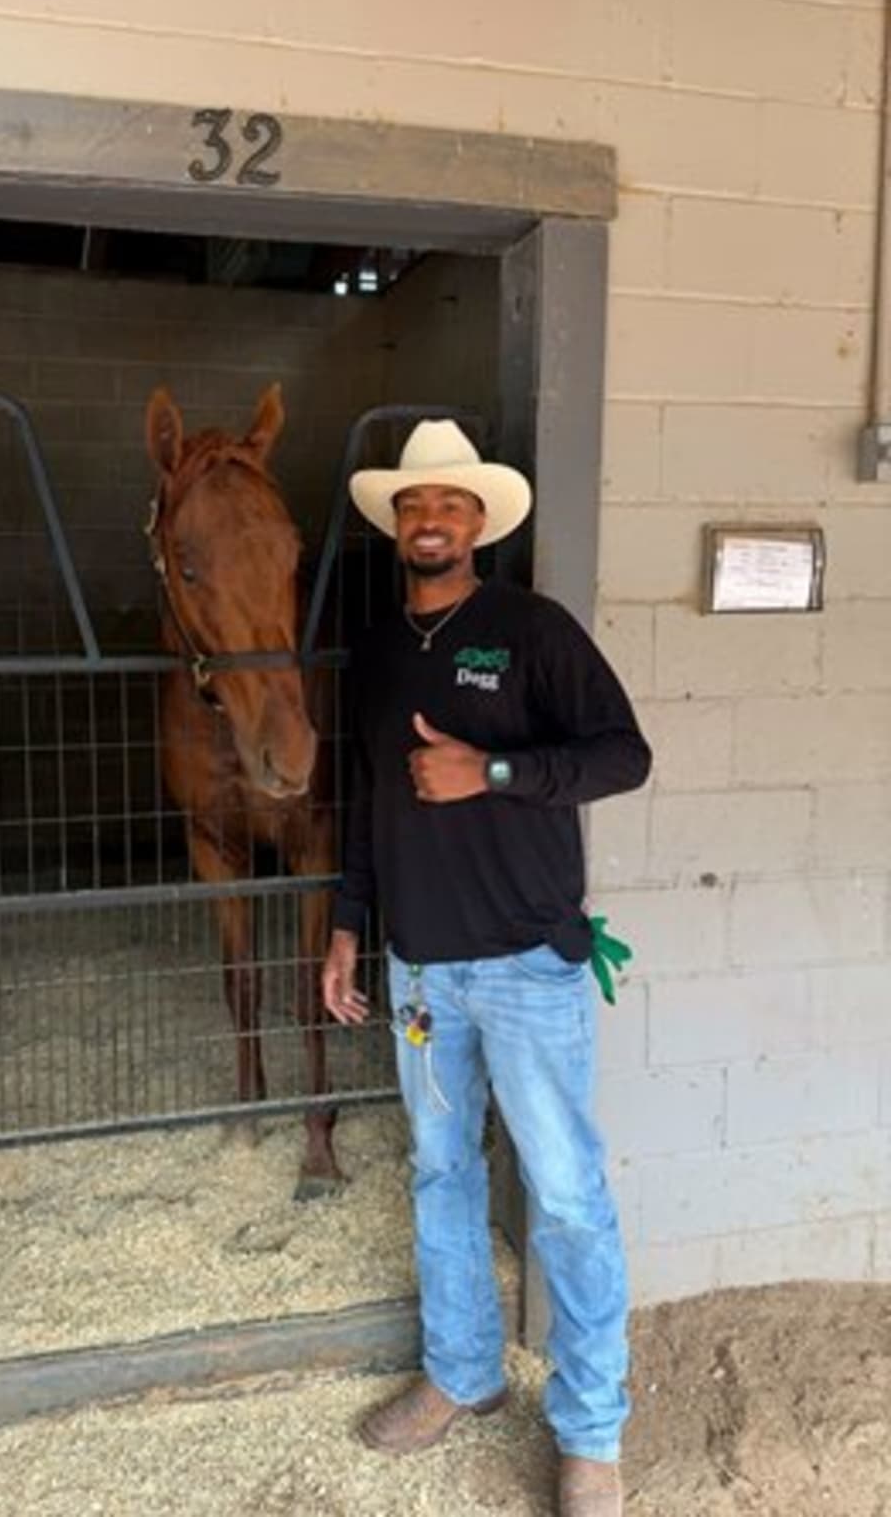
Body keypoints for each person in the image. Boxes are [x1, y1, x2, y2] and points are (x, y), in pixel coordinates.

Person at [320, 419, 651, 1517]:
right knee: (441, 1175)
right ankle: (461, 1373)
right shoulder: (376, 652)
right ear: (396, 524)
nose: (431, 519)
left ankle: (591, 1434)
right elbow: (366, 796)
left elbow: (624, 756)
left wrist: (492, 771)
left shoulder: (531, 630)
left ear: (479, 524)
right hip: (421, 970)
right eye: (414, 504)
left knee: (566, 1194)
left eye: (450, 504)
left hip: (527, 966)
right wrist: (348, 925)